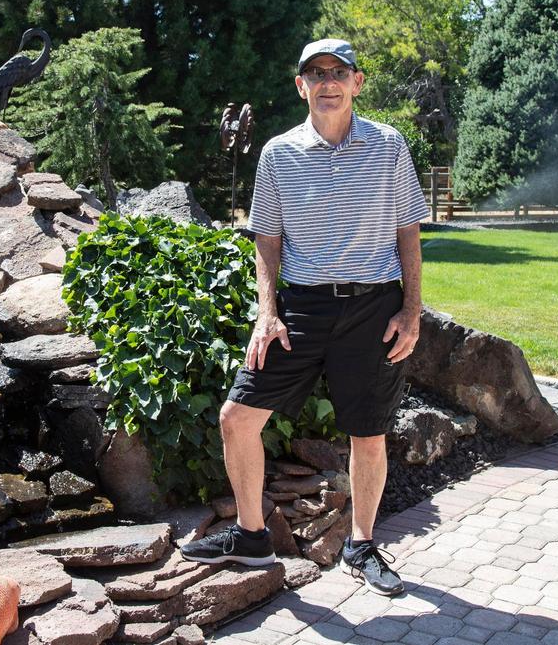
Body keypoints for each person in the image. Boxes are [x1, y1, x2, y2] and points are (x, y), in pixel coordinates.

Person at [180, 39, 429, 596]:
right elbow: (266, 239)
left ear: (357, 82)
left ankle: (361, 546)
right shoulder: (277, 154)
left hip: (374, 308)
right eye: (316, 73)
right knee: (236, 417)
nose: (328, 82)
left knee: (369, 434)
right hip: (303, 309)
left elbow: (407, 230)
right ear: (301, 86)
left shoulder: (389, 147)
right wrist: (266, 314)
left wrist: (412, 310)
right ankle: (249, 536)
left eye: (338, 71)